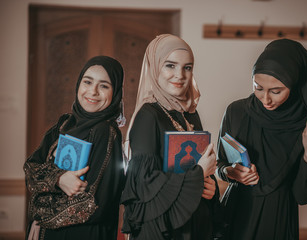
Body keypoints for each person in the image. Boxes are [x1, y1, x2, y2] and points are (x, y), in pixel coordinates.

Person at [216, 39, 307, 240]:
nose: (265, 99)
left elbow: (302, 196)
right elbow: (219, 165)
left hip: (278, 219)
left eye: (276, 91)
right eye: (258, 87)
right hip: (236, 213)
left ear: (295, 84)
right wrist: (230, 172)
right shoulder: (236, 112)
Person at [121, 34, 219, 240]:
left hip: (193, 223)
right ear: (155, 67)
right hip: (163, 229)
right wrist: (199, 174)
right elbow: (145, 183)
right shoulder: (148, 115)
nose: (180, 75)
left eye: (187, 67)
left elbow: (197, 170)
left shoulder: (190, 114)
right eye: (170, 66)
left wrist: (210, 187)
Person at [24, 56, 126, 240]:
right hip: (47, 230)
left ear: (115, 92)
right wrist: (59, 178)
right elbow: (30, 170)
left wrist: (43, 217)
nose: (93, 91)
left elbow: (93, 205)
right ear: (79, 84)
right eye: (87, 82)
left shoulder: (106, 132)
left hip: (84, 233)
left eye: (104, 85)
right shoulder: (64, 124)